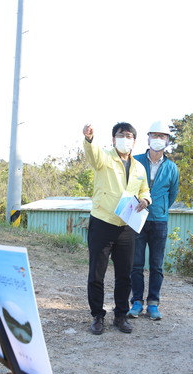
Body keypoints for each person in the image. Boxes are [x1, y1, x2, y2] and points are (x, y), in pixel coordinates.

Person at [83, 122, 151, 335]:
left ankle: (121, 315)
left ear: (134, 141)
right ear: (113, 139)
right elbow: (92, 155)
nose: (125, 139)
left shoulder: (139, 167)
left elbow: (145, 190)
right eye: (121, 135)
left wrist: (145, 200)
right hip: (102, 223)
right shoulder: (104, 157)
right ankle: (97, 316)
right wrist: (89, 139)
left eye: (129, 136)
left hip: (126, 226)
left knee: (125, 275)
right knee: (97, 273)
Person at [127, 120, 179, 321]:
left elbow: (172, 194)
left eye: (162, 136)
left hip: (159, 221)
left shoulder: (172, 168)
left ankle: (153, 304)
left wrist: (161, 208)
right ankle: (137, 302)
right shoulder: (136, 160)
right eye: (154, 135)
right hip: (137, 218)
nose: (158, 139)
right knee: (136, 264)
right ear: (148, 138)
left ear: (167, 141)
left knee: (157, 265)